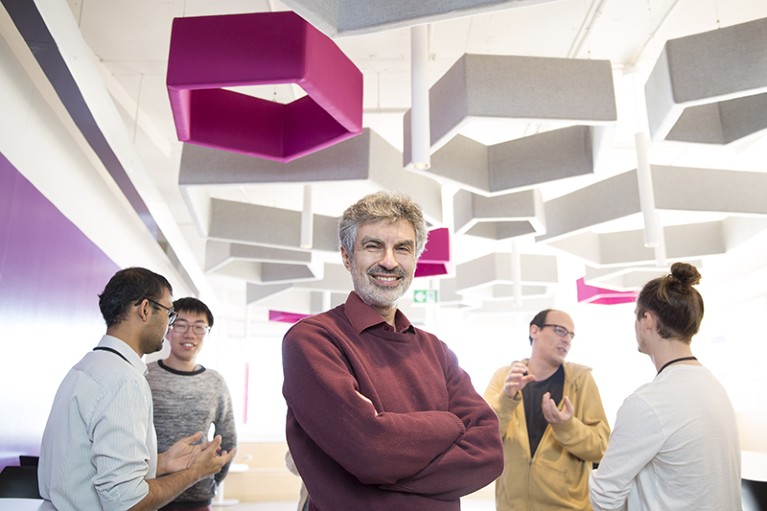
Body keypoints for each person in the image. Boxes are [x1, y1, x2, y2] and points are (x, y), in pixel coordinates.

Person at [282, 191, 504, 510]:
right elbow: (370, 451)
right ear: (347, 256)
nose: (389, 261)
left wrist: (383, 475)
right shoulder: (313, 340)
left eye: (403, 248)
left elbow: (489, 453)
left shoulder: (437, 351)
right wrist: (450, 423)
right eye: (373, 245)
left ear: (415, 259)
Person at [38, 267, 236, 511]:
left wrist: (161, 463)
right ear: (145, 309)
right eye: (169, 313)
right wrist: (195, 473)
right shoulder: (124, 381)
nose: (169, 324)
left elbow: (88, 467)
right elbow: (127, 503)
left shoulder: (87, 368)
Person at [590, 262, 741, 510]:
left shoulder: (648, 403)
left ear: (647, 319)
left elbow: (604, 494)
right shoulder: (714, 387)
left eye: (636, 316)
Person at [484, 309, 610, 510]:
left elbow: (602, 448)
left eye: (571, 335)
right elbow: (483, 437)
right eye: (560, 331)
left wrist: (567, 426)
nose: (567, 339)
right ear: (534, 330)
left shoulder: (580, 379)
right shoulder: (504, 378)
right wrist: (506, 398)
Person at [146, 297, 237, 511]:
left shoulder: (215, 381)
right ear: (168, 329)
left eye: (199, 327)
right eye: (181, 325)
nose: (190, 334)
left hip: (198, 498)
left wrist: (210, 479)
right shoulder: (145, 375)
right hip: (149, 494)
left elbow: (228, 439)